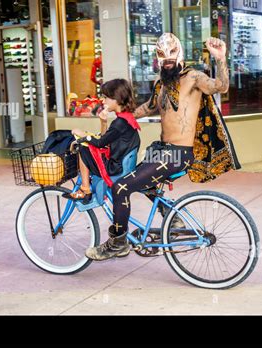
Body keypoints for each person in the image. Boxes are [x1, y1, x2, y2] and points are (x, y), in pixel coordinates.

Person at [85, 33, 240, 261]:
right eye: (162, 58)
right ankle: (172, 217)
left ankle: (117, 242)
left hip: (177, 153)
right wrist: (119, 114)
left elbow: (221, 87)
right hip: (161, 151)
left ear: (180, 55)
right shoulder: (161, 84)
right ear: (158, 59)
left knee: (120, 188)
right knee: (138, 181)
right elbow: (147, 108)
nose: (167, 62)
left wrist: (220, 58)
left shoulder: (194, 78)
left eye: (171, 56)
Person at [63, 79, 141, 203]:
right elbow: (105, 140)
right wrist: (103, 122)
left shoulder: (119, 124)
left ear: (116, 98)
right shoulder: (126, 118)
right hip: (122, 164)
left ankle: (85, 189)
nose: (103, 101)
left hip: (115, 168)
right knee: (88, 148)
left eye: (106, 97)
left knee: (83, 150)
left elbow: (100, 143)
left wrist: (83, 135)